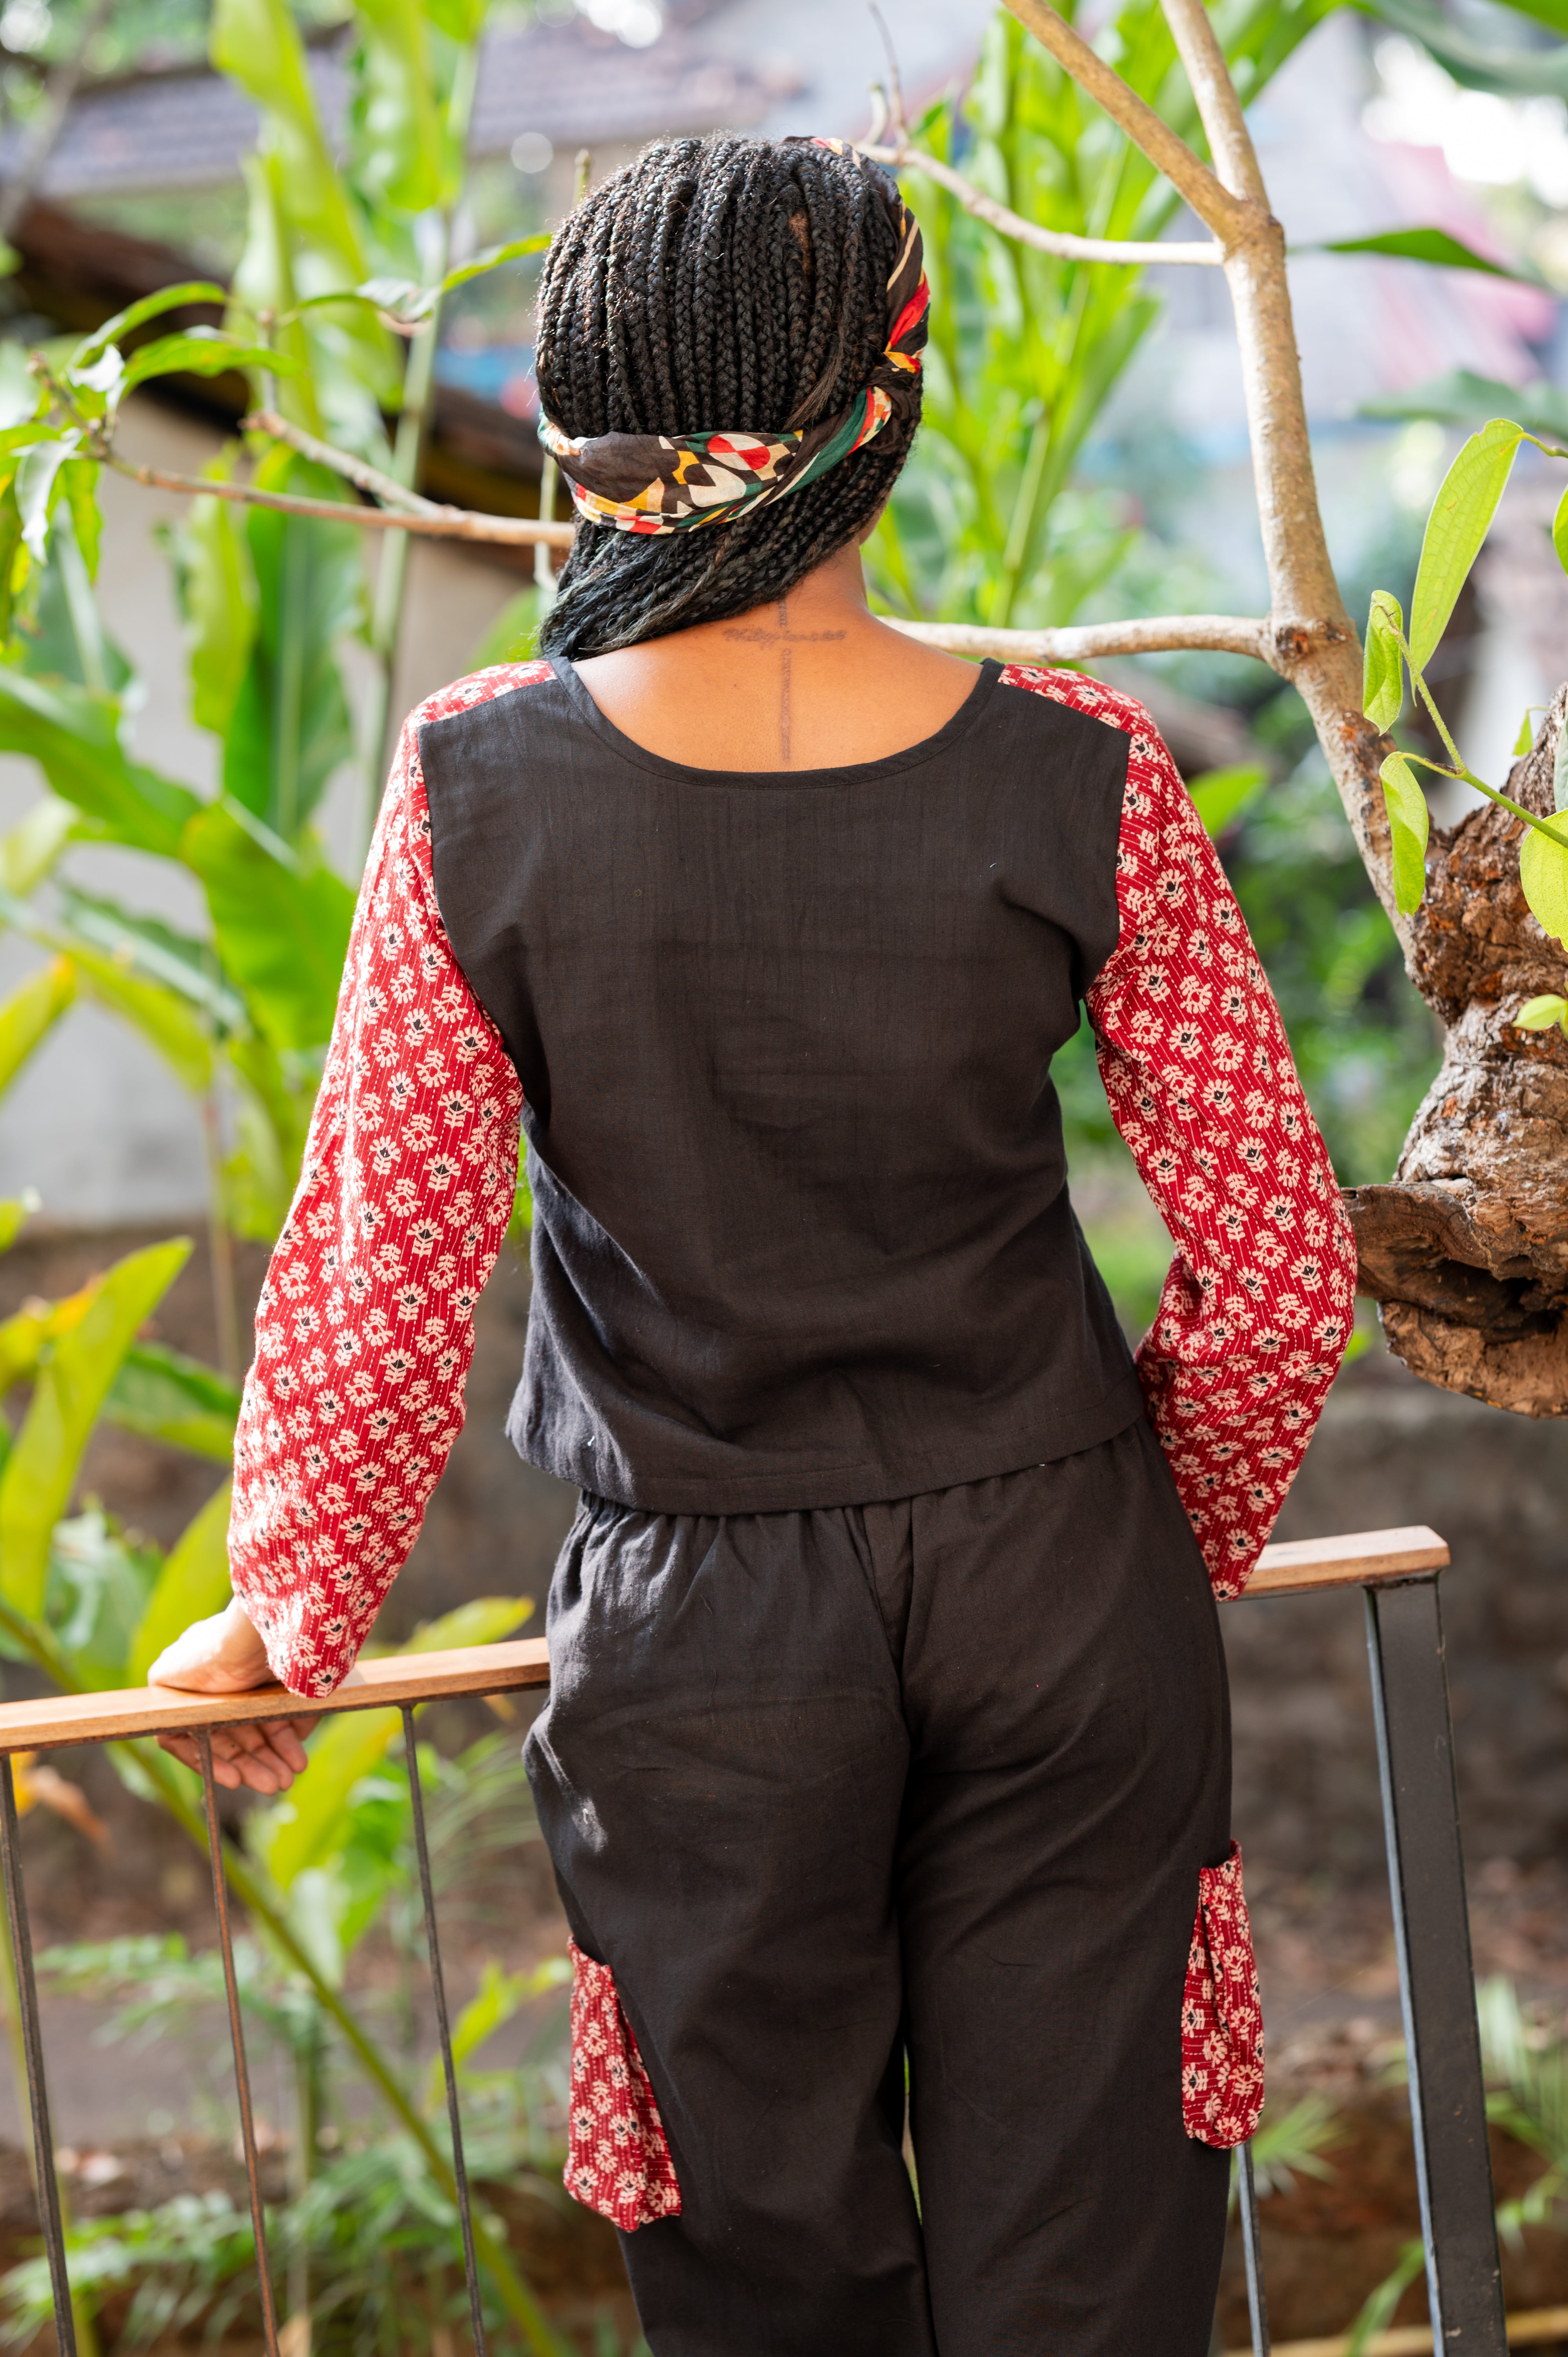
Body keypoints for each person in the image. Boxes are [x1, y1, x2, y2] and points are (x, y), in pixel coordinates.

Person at [149, 132, 1357, 2356]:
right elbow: (1281, 1263)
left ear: (588, 423)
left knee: (757, 2253)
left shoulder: (476, 785)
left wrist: (289, 1604)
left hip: (705, 1647)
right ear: (891, 400)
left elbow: (388, 1247)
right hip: (1064, 1595)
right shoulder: (1083, 770)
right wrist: (1137, 1530)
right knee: (1096, 2255)